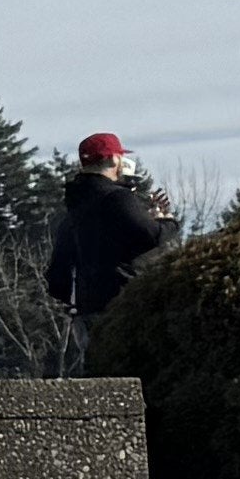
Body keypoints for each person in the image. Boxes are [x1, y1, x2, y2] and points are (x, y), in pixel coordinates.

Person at [46, 129, 176, 363]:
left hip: (86, 310)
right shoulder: (117, 198)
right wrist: (165, 221)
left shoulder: (74, 209)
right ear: (114, 159)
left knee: (100, 376)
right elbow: (150, 236)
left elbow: (57, 276)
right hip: (125, 305)